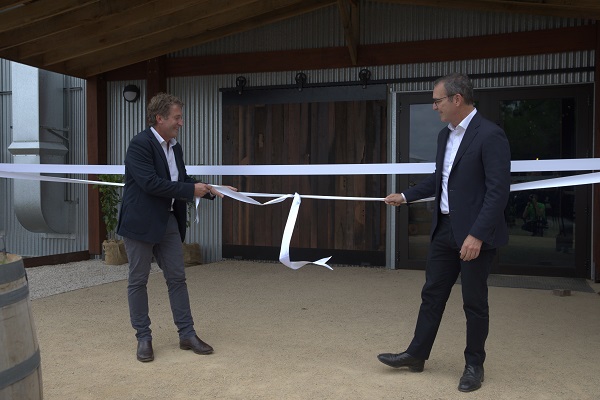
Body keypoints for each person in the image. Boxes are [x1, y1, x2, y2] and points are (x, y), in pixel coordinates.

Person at [377, 73, 511, 392]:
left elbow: (498, 192)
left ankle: (474, 365)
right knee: (432, 295)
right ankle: (416, 354)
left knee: (474, 302)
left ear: (456, 100)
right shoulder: (444, 136)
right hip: (444, 230)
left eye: (437, 100)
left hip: (474, 235)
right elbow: (438, 180)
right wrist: (406, 196)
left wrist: (477, 235)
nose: (433, 106)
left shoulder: (490, 135)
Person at [117, 92, 235, 362]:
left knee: (177, 279)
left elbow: (180, 180)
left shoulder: (175, 147)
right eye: (177, 117)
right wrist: (190, 188)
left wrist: (210, 189)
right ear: (160, 118)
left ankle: (187, 334)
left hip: (169, 221)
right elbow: (151, 184)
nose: (181, 123)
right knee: (138, 281)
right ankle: (143, 338)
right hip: (140, 224)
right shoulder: (139, 145)